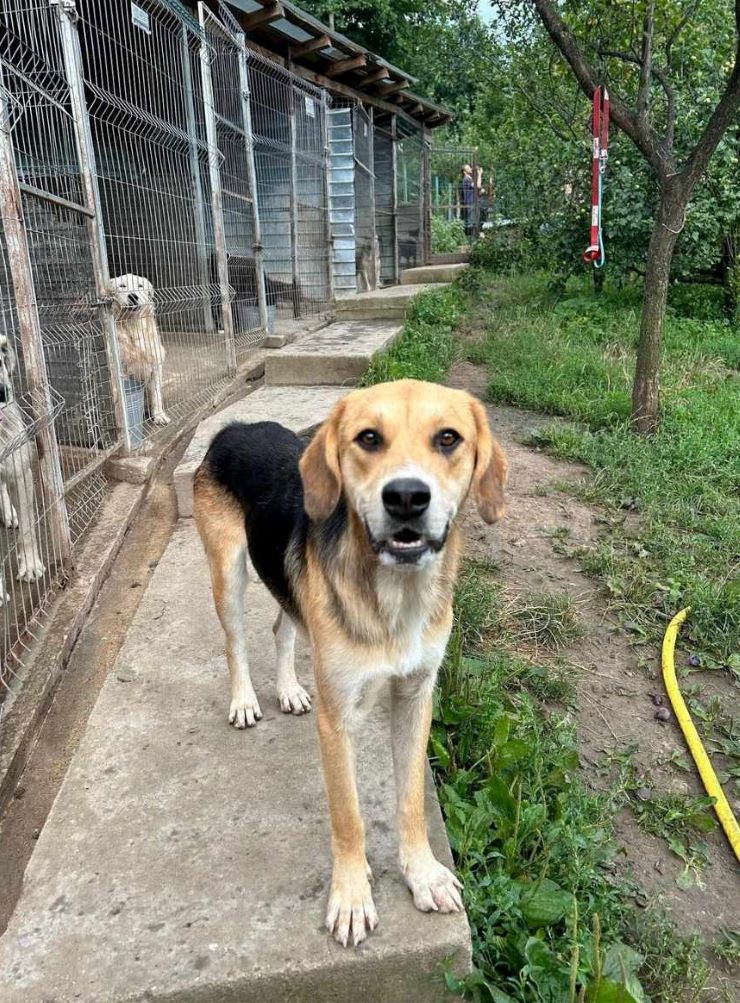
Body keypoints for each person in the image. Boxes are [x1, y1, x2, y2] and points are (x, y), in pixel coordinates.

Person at [460, 164, 475, 235]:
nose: (471, 169)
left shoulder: (469, 179)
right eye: (468, 168)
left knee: (470, 219)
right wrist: (479, 174)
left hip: (470, 201)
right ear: (464, 172)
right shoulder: (467, 179)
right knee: (470, 221)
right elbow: (477, 186)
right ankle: (469, 237)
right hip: (469, 202)